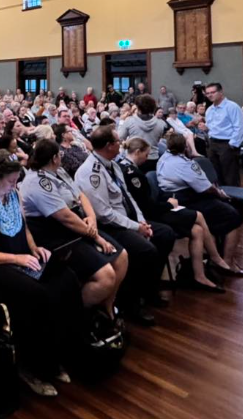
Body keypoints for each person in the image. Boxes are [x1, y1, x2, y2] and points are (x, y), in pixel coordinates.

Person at [0, 150, 80, 397]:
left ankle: (59, 353)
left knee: (67, 279)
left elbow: (24, 229)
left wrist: (34, 247)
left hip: (21, 258)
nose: (14, 185)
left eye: (16, 180)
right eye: (10, 181)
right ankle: (31, 366)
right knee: (37, 297)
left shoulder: (14, 193)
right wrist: (17, 258)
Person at [20, 139, 128, 337]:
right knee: (106, 277)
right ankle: (72, 317)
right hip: (57, 237)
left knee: (122, 257)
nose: (62, 156)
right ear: (54, 158)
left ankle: (106, 306)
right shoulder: (37, 182)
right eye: (59, 154)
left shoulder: (57, 171)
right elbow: (65, 217)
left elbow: (81, 195)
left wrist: (92, 218)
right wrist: (95, 236)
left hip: (78, 227)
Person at [74, 126, 176, 326]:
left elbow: (126, 196)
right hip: (109, 226)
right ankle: (131, 302)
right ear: (108, 146)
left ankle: (149, 289)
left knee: (165, 234)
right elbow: (104, 214)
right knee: (146, 250)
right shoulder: (90, 172)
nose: (121, 144)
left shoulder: (113, 165)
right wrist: (136, 228)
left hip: (127, 219)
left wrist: (141, 221)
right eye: (117, 142)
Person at [119, 138, 232, 292]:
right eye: (146, 155)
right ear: (137, 152)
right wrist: (169, 205)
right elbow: (146, 207)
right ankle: (215, 257)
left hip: (155, 207)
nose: (147, 159)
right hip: (151, 214)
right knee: (198, 215)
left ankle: (199, 276)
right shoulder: (132, 173)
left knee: (197, 230)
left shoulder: (132, 166)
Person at [156, 133, 243, 276]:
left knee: (225, 208)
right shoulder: (185, 164)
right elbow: (207, 188)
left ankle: (217, 254)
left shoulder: (163, 157)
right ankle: (228, 261)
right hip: (186, 200)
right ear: (185, 147)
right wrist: (220, 194)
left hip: (171, 198)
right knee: (235, 216)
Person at [204, 82, 243, 186]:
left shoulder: (232, 107)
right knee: (216, 173)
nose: (209, 95)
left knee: (230, 174)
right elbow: (212, 127)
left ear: (221, 92)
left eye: (212, 92)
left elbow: (239, 127)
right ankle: (222, 198)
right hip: (213, 143)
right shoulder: (209, 109)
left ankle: (234, 200)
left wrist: (232, 144)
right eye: (207, 93)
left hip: (227, 144)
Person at [117, 95, 167, 171]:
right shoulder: (161, 123)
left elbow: (120, 137)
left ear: (138, 107)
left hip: (134, 158)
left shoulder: (129, 121)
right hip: (153, 158)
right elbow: (158, 139)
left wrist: (121, 121)